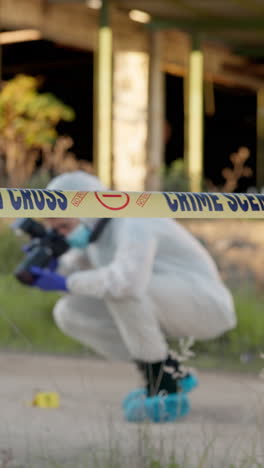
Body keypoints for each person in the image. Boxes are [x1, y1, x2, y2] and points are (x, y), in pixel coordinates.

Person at [27, 171, 236, 423]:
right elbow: (75, 282)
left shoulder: (135, 217)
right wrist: (49, 265)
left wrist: (66, 281)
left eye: (64, 227)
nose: (63, 235)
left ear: (86, 209)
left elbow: (125, 282)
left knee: (122, 291)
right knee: (69, 312)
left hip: (205, 303)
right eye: (56, 230)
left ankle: (164, 387)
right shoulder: (95, 236)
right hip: (159, 299)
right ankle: (169, 370)